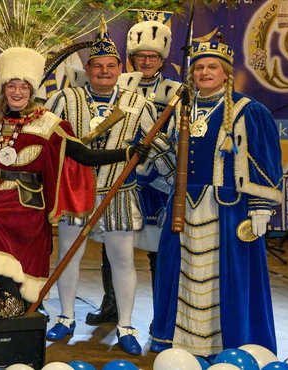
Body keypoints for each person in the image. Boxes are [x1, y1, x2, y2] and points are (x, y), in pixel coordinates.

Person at [0, 47, 145, 319]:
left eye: (24, 87)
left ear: (32, 90)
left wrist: (127, 154)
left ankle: (13, 299)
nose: (17, 92)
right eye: (12, 85)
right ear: (3, 88)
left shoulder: (49, 122)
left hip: (27, 202)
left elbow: (83, 154)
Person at [150, 34, 282, 356]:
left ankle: (227, 346)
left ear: (226, 73)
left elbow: (264, 161)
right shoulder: (181, 110)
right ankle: (180, 344)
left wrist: (261, 208)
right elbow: (169, 167)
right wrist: (154, 151)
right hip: (183, 209)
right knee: (179, 274)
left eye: (212, 67)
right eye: (199, 68)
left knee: (227, 280)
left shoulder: (249, 110)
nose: (204, 73)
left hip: (228, 209)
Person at [43, 19, 163, 355]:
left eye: (111, 66)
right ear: (88, 68)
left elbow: (158, 145)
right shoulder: (65, 99)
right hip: (74, 193)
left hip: (119, 193)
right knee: (68, 257)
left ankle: (125, 324)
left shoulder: (138, 104)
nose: (105, 71)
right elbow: (47, 142)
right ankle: (66, 317)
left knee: (123, 260)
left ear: (120, 68)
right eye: (98, 66)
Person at [97, 9, 180, 328]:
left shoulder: (175, 93)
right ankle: (112, 304)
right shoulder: (116, 88)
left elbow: (175, 137)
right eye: (140, 56)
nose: (146, 62)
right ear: (131, 58)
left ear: (161, 60)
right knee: (112, 245)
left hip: (159, 181)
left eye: (152, 57)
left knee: (159, 251)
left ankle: (163, 312)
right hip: (122, 175)